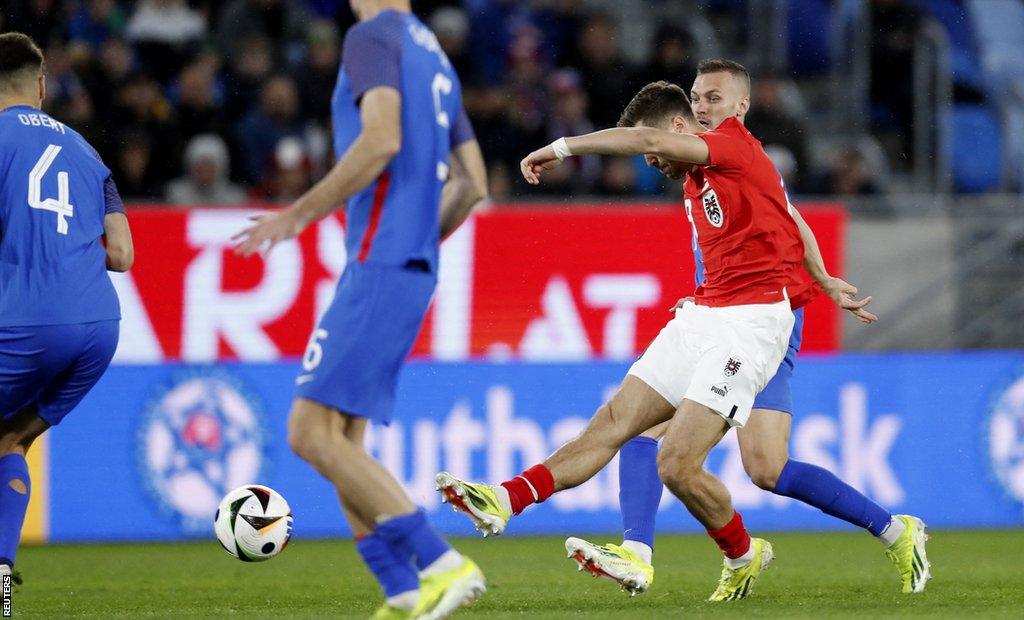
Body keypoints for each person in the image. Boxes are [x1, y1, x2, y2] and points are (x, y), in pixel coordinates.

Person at [437, 75, 928, 602]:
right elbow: (793, 217)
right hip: (710, 315)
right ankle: (511, 502)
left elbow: (650, 143)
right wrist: (824, 276)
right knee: (632, 429)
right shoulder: (703, 177)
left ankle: (861, 536)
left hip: (757, 326)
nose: (651, 162)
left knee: (687, 460)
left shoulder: (727, 147)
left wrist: (563, 147)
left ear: (685, 126)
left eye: (711, 100)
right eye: (697, 99)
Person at [232, 1, 488, 618]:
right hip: (408, 265)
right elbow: (474, 182)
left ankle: (442, 564)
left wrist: (297, 215)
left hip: (379, 260)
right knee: (344, 436)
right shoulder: (436, 56)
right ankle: (401, 590)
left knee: (307, 432)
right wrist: (420, 240)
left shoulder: (370, 37)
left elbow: (381, 139)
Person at [0, 32, 133, 583]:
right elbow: (122, 254)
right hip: (100, 328)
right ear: (41, 84)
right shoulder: (87, 150)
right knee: (10, 439)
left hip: (26, 321)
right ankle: (2, 573)